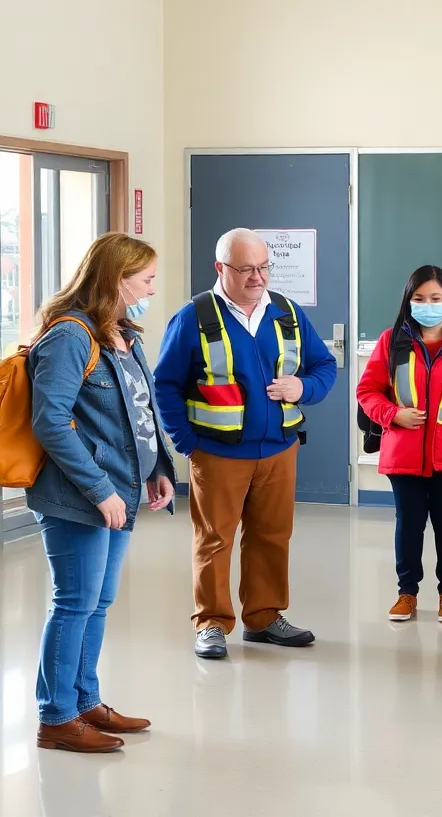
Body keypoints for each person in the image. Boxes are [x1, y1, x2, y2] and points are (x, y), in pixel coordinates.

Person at [154, 228, 337, 659]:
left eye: (263, 267)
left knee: (272, 535)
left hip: (279, 449)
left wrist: (303, 388)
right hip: (217, 454)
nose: (257, 277)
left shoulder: (286, 312)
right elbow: (165, 386)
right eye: (245, 269)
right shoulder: (193, 316)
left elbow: (324, 365)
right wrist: (187, 443)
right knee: (214, 538)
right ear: (221, 268)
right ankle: (211, 624)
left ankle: (264, 617)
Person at [27, 233, 176, 753]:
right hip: (79, 496)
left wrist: (159, 468)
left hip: (122, 490)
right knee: (73, 604)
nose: (153, 287)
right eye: (148, 278)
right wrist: (98, 489)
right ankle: (57, 718)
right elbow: (51, 424)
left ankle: (86, 700)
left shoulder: (124, 334)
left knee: (97, 603)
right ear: (117, 278)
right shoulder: (70, 336)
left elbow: (142, 410)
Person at [357, 265, 442, 624]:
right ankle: (406, 593)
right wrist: (393, 414)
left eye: (436, 298)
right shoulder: (391, 340)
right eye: (419, 298)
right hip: (405, 453)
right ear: (408, 302)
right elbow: (367, 391)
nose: (427, 304)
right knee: (409, 524)